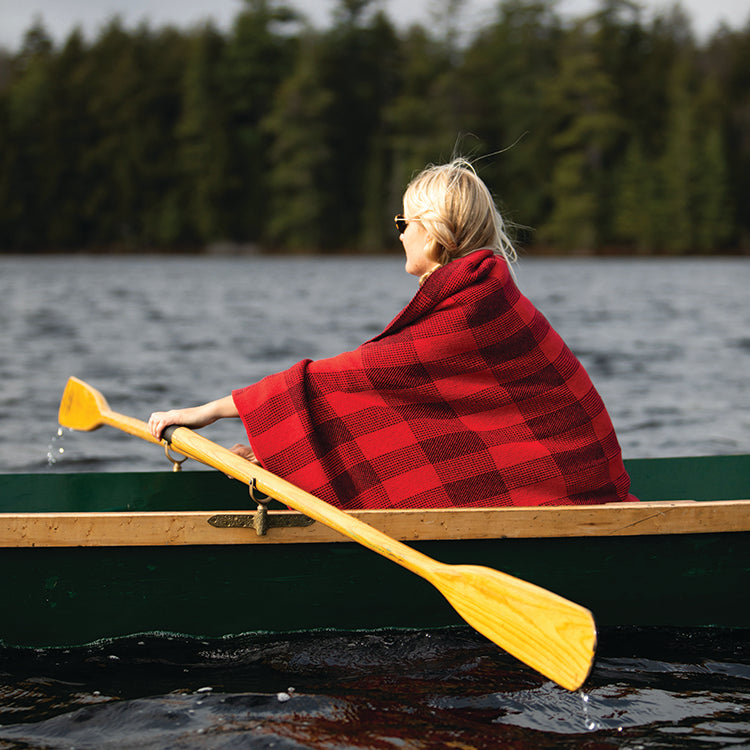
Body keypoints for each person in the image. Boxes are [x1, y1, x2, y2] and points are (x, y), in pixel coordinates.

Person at [148, 158, 637, 509]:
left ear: (433, 231)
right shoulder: (481, 291)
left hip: (568, 485)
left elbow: (348, 377)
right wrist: (278, 453)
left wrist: (208, 410)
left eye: (405, 222)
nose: (399, 234)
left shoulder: (474, 305)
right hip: (573, 477)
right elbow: (410, 408)